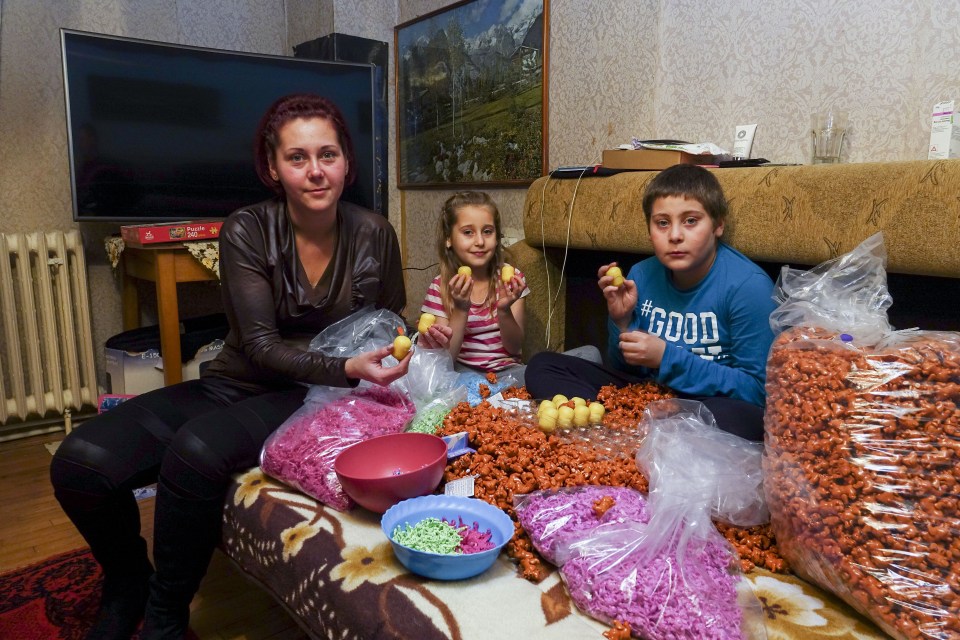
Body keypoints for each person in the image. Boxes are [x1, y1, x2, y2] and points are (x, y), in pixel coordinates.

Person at [49, 94, 410, 640]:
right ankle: (128, 582)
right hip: (241, 380)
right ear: (272, 168)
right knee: (81, 462)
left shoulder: (375, 233)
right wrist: (349, 368)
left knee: (195, 452)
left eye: (328, 154)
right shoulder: (246, 229)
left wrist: (406, 343)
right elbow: (260, 345)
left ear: (347, 163)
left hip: (314, 398)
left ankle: (166, 612)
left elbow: (389, 320)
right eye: (297, 157)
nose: (316, 171)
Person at [525, 164, 776, 441]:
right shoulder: (641, 275)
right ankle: (621, 426)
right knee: (542, 365)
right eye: (662, 223)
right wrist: (623, 323)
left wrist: (667, 358)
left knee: (744, 420)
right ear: (649, 230)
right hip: (648, 393)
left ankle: (633, 430)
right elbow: (625, 372)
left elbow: (758, 391)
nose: (675, 235)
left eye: (691, 221)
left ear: (718, 225)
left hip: (709, 403)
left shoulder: (748, 286)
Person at [417, 191, 529, 381]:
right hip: (461, 373)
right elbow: (448, 360)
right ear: (449, 239)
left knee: (582, 356)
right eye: (468, 232)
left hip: (507, 374)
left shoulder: (512, 278)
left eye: (487, 231)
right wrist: (461, 308)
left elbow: (515, 347)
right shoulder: (440, 287)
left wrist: (504, 310)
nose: (479, 242)